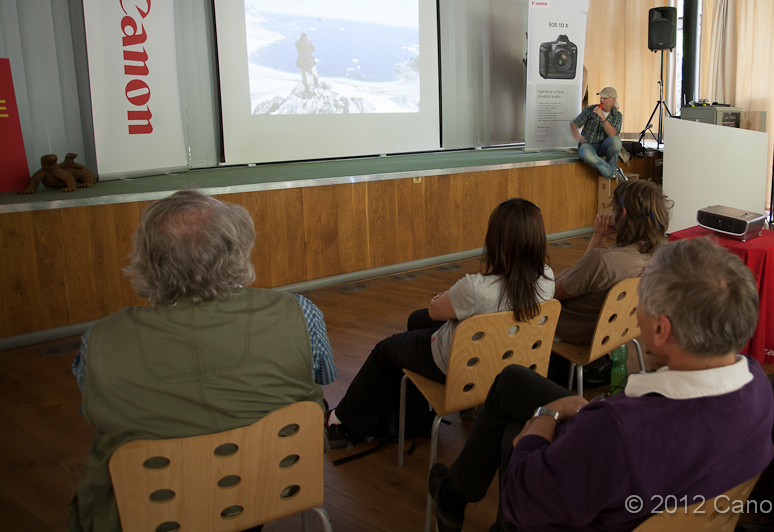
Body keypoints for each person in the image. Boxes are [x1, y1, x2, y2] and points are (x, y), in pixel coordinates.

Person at [427, 237, 774, 532]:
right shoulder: (758, 385)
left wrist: (546, 417)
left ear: (660, 329)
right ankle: (454, 496)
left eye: (642, 291)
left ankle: (457, 496)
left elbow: (523, 502)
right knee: (513, 380)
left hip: (588, 493)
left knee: (513, 433)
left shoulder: (616, 429)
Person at [69, 189, 337, 532]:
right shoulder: (300, 312)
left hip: (153, 507)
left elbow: (95, 410)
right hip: (275, 482)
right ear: (236, 251)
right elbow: (324, 376)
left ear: (148, 259)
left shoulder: (100, 340)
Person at [326, 198, 555, 447]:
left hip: (457, 366)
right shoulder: (547, 278)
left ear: (496, 240)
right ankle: (414, 416)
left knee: (385, 351)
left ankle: (341, 420)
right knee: (416, 320)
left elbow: (435, 310)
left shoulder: (475, 289)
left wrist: (446, 297)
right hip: (513, 364)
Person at [553, 179, 672, 345]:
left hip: (570, 331)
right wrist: (599, 236)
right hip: (614, 333)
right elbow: (584, 274)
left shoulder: (603, 260)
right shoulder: (661, 256)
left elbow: (551, 294)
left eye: (613, 207)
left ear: (622, 213)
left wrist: (562, 275)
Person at [571, 86, 627, 182]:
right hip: (588, 144)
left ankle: (611, 172)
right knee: (587, 155)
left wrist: (602, 117)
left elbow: (612, 134)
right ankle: (614, 172)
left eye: (605, 98)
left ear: (613, 101)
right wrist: (578, 136)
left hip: (604, 146)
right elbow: (574, 125)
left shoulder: (617, 116)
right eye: (601, 97)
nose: (601, 100)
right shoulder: (590, 110)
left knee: (616, 141)